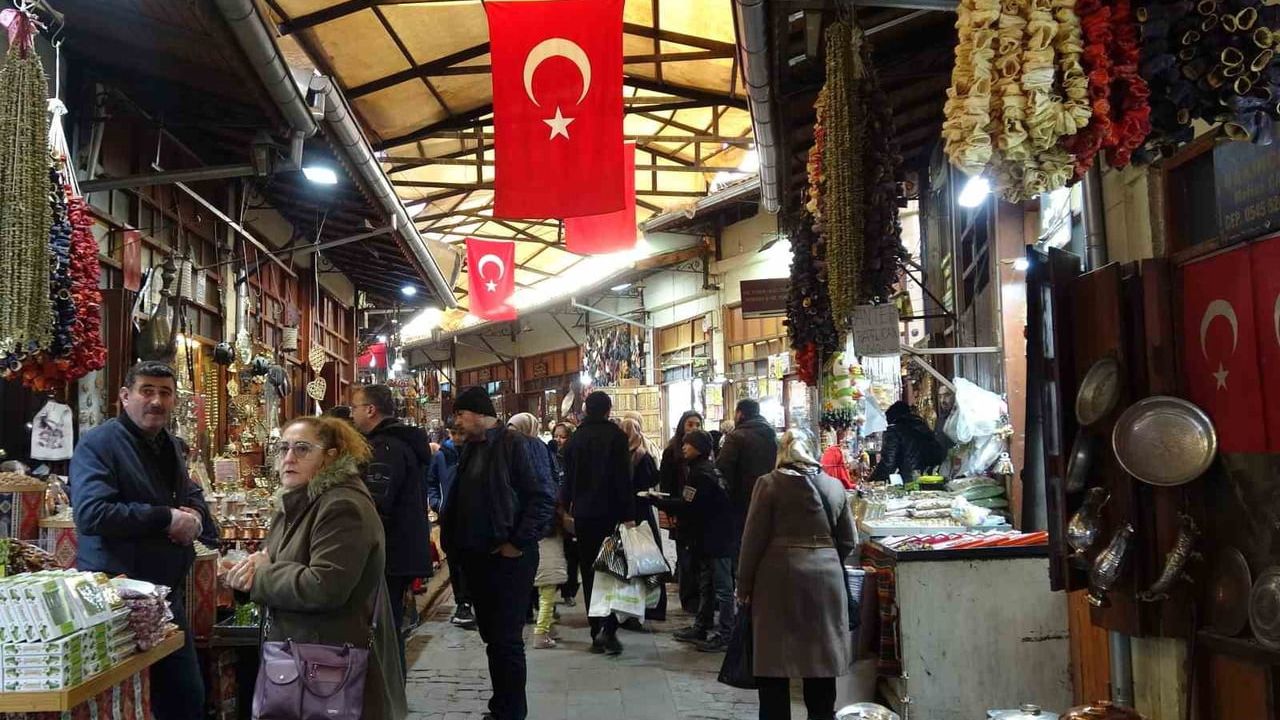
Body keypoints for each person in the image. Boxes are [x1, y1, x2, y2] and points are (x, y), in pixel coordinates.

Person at [225, 416, 407, 719]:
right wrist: (249, 574)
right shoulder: (297, 501)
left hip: (329, 665)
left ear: (330, 456)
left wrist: (259, 575)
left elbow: (324, 586)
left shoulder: (341, 506)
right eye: (283, 448)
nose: (288, 458)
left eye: (302, 449)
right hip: (300, 659)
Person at [70, 361, 219, 720]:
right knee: (124, 701)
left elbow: (190, 493)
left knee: (184, 697)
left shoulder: (168, 445)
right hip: (117, 597)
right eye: (146, 391)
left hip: (163, 597)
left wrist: (195, 516)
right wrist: (165, 517)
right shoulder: (99, 444)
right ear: (125, 396)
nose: (156, 401)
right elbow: (92, 514)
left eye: (165, 393)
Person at [440, 387, 556, 720]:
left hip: (508, 560)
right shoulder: (472, 449)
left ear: (478, 413)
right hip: (479, 560)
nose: (457, 421)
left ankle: (511, 712)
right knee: (493, 638)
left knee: (506, 641)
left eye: (461, 414)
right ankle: (501, 706)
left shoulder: (516, 445)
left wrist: (516, 543)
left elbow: (543, 498)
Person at [737, 430, 857, 720]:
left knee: (775, 663)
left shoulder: (768, 485)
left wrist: (744, 584)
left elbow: (752, 540)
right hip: (826, 578)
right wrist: (824, 557)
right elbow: (849, 540)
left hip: (776, 579)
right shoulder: (833, 486)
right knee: (820, 661)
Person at [351, 384, 433, 674]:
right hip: (400, 551)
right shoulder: (400, 442)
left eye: (355, 408)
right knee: (389, 625)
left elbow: (376, 503)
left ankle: (390, 698)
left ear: (371, 410)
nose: (352, 414)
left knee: (384, 628)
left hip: (389, 552)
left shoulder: (385, 447)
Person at [561, 391, 637, 655]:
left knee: (590, 572)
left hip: (583, 516)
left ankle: (596, 632)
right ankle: (610, 628)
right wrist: (628, 515)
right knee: (612, 570)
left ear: (585, 409)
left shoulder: (575, 439)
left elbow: (567, 480)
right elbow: (623, 480)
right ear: (608, 410)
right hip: (611, 515)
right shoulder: (616, 437)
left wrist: (564, 508)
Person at [650, 430, 735, 652]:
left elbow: (690, 505)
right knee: (707, 584)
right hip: (711, 537)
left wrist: (660, 503)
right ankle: (702, 625)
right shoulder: (705, 470)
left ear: (698, 447)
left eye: (688, 445)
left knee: (723, 587)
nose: (684, 448)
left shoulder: (701, 474)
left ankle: (726, 634)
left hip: (717, 538)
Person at [619, 416, 667, 624]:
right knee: (649, 557)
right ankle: (653, 606)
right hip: (642, 511)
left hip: (625, 513)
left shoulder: (619, 456)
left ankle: (628, 607)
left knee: (628, 560)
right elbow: (653, 479)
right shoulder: (642, 455)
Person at [427, 425, 474, 629]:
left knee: (472, 562)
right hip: (450, 517)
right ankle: (462, 603)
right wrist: (438, 504)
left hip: (474, 517)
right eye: (454, 433)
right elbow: (431, 482)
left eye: (461, 433)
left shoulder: (477, 452)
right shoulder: (441, 456)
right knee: (455, 563)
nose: (457, 437)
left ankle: (472, 602)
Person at [717, 398, 780, 548]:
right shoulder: (772, 435)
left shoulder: (735, 437)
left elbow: (723, 468)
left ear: (740, 414)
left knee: (743, 543)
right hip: (769, 495)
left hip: (742, 500)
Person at [660, 410, 704, 613]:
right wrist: (670, 512)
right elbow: (667, 486)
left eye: (697, 424)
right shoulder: (672, 452)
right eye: (690, 424)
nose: (694, 428)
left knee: (698, 558)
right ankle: (689, 600)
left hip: (699, 514)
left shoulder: (704, 451)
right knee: (685, 557)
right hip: (680, 510)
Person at [870, 401, 947, 482]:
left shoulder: (893, 430)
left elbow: (888, 463)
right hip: (929, 480)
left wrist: (871, 481)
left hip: (909, 480)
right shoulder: (922, 427)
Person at [550, 421, 580, 606]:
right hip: (553, 513)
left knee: (571, 554)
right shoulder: (549, 457)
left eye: (563, 436)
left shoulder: (575, 458)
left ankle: (568, 591)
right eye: (556, 436)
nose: (559, 440)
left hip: (570, 511)